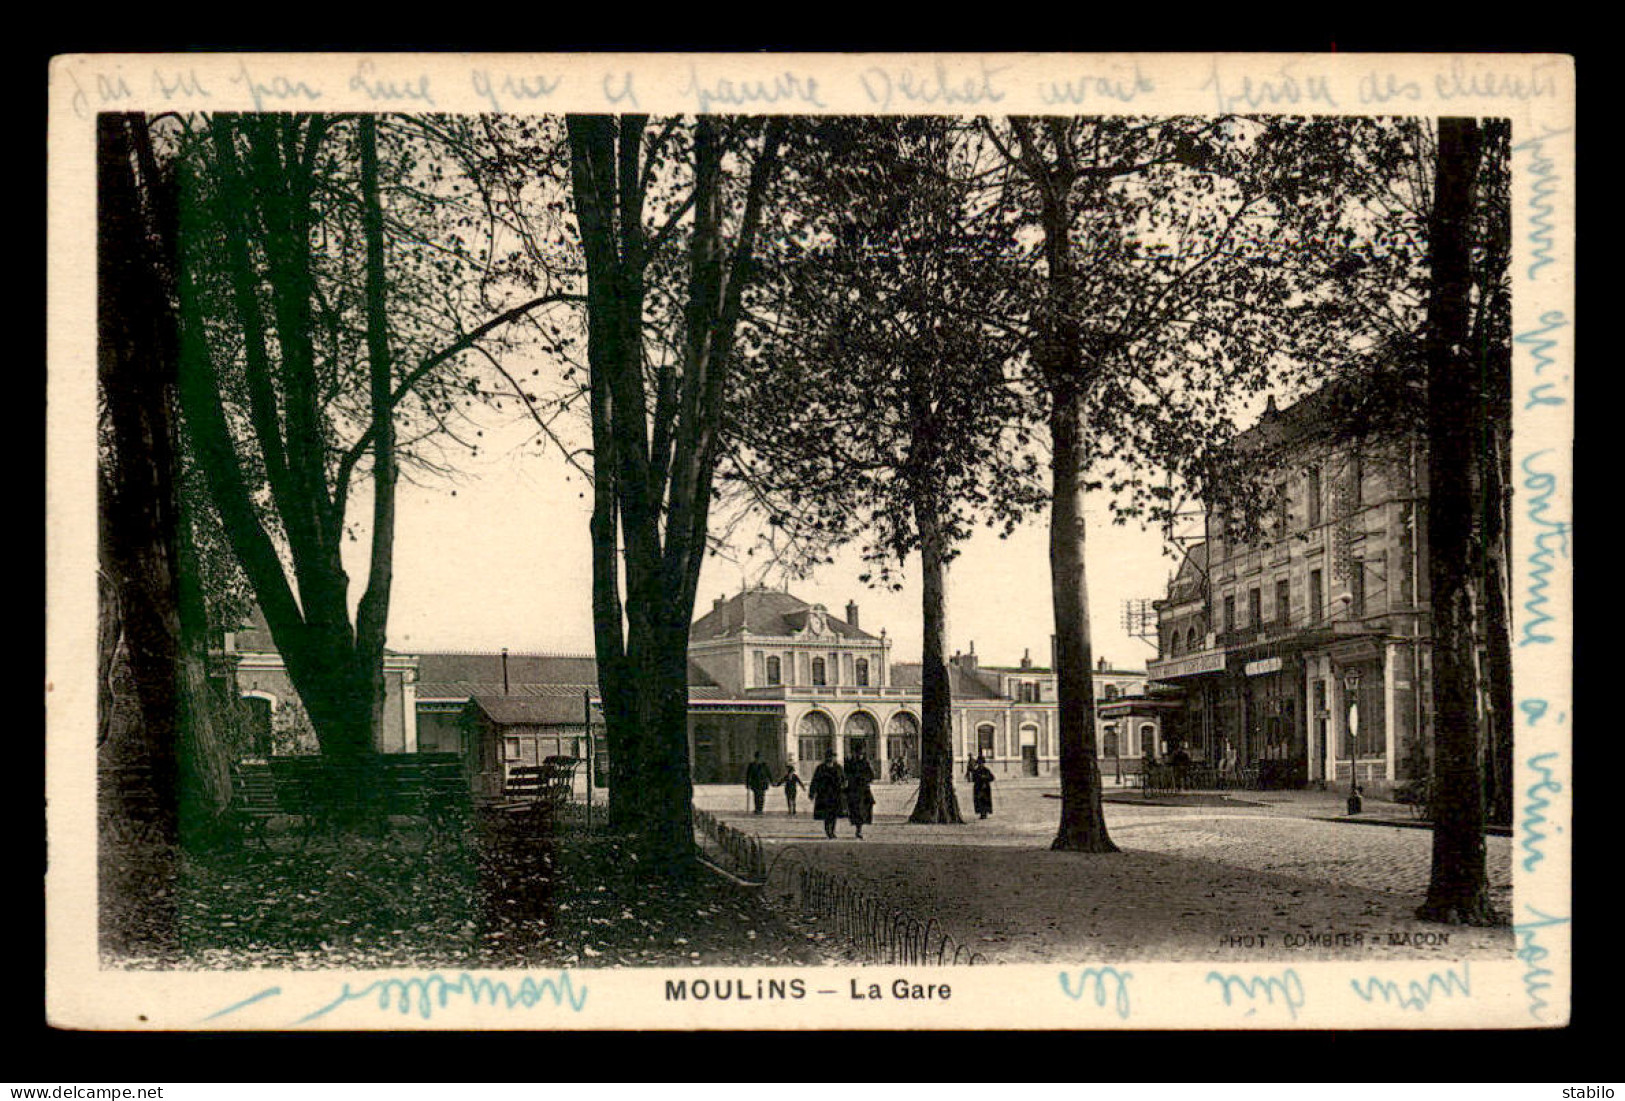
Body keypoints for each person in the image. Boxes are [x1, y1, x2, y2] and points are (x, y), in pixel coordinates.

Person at [809, 749, 845, 839]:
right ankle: (828, 831)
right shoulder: (820, 768)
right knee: (826, 814)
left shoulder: (838, 768)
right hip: (824, 794)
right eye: (830, 756)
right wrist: (812, 792)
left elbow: (844, 779)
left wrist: (844, 787)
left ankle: (832, 831)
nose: (832, 758)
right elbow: (815, 781)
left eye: (833, 756)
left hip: (835, 794)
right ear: (826, 757)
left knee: (834, 814)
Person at [845, 744, 876, 839]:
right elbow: (846, 775)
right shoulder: (850, 763)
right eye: (857, 753)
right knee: (855, 810)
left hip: (863, 791)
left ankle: (859, 830)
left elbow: (871, 775)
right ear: (854, 753)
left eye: (861, 754)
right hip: (853, 790)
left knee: (862, 810)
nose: (859, 755)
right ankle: (858, 829)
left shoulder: (865, 763)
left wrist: (864, 779)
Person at [745, 751, 772, 815]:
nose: (759, 759)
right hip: (755, 783)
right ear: (755, 757)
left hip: (763, 783)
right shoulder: (752, 765)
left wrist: (771, 781)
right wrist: (747, 783)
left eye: (760, 757)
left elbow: (768, 774)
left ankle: (760, 809)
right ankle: (757, 809)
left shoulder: (764, 765)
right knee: (756, 796)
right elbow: (748, 775)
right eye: (758, 757)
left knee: (762, 796)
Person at [971, 755, 995, 819]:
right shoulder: (976, 771)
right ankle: (981, 813)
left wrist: (985, 777)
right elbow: (973, 779)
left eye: (982, 763)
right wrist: (978, 778)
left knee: (985, 800)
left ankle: (985, 813)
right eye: (979, 763)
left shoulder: (986, 770)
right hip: (978, 788)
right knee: (979, 801)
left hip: (985, 788)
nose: (980, 764)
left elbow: (992, 777)